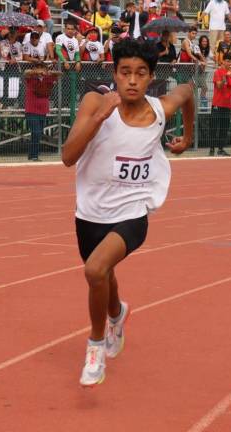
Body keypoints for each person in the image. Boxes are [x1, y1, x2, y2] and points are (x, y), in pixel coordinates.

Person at [61, 38, 194, 387]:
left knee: (95, 269)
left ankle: (95, 345)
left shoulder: (160, 110)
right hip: (90, 213)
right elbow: (68, 156)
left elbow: (187, 91)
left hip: (133, 212)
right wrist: (102, 115)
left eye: (141, 73)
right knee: (103, 275)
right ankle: (117, 313)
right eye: (125, 73)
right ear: (115, 75)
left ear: (151, 77)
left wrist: (189, 137)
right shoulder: (94, 102)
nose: (132, 80)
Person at [24, 62, 61, 161]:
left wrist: (48, 72)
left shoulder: (48, 78)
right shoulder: (31, 78)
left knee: (38, 133)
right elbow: (26, 72)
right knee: (35, 132)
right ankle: (34, 155)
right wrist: (37, 72)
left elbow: (60, 74)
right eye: (38, 67)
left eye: (42, 67)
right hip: (31, 109)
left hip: (43, 110)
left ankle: (32, 155)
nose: (40, 70)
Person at [210, 55, 231, 156]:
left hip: (227, 104)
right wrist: (226, 76)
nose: (229, 63)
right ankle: (211, 149)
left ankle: (220, 149)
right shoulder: (218, 72)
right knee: (214, 127)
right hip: (217, 104)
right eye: (227, 61)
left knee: (224, 128)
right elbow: (219, 85)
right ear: (223, 61)